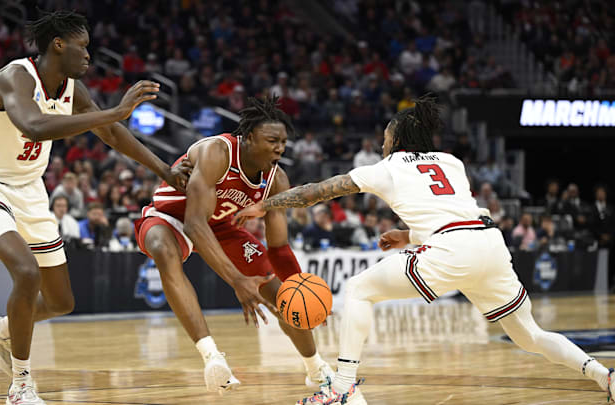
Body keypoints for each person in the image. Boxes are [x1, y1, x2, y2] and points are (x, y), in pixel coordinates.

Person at [234, 96, 615, 404]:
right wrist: (410, 235)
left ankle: (342, 388)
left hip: (451, 250)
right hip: (490, 245)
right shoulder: (452, 162)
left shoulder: (387, 166)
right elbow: (452, 211)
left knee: (357, 290)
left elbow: (318, 191)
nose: (383, 143)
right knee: (530, 335)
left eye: (386, 137)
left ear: (396, 140)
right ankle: (604, 376)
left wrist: (265, 205)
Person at [0, 11, 191, 405]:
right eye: (83, 46)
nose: (89, 56)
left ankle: (3, 330)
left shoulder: (71, 88)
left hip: (29, 189)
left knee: (62, 302)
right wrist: (114, 110)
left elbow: (110, 133)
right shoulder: (15, 77)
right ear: (58, 44)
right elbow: (34, 126)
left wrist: (164, 169)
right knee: (26, 272)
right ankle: (21, 385)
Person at [133, 96, 333, 394]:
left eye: (283, 142)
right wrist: (237, 280)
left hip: (222, 227)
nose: (279, 148)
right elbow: (194, 224)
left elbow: (278, 248)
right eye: (272, 140)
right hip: (172, 218)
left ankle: (317, 370)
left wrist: (298, 288)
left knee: (282, 296)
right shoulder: (218, 152)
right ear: (250, 138)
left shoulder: (276, 180)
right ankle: (212, 357)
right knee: (164, 250)